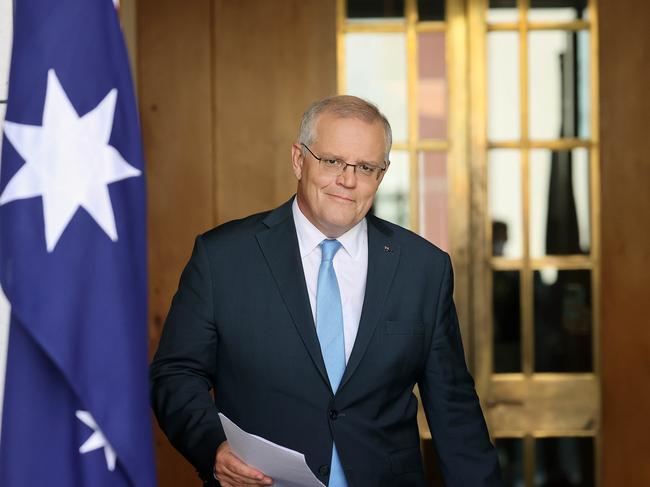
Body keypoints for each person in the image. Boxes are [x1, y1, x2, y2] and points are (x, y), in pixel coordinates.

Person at [150, 95, 503, 487]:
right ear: (299, 160)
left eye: (365, 167)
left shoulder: (423, 269)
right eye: (332, 161)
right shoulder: (222, 258)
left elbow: (454, 411)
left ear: (381, 176)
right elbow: (176, 373)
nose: (347, 180)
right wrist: (212, 448)